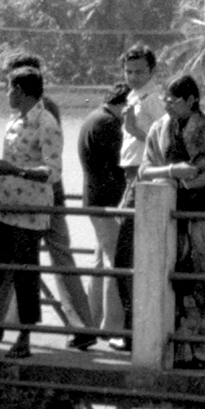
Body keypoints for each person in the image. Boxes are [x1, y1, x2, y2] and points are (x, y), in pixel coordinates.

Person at [0, 66, 80, 357]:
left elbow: (53, 171)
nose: (6, 94)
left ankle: (25, 337)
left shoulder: (46, 123)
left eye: (8, 88)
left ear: (19, 90)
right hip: (4, 208)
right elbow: (9, 159)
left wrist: (15, 170)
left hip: (30, 213)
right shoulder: (13, 121)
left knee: (24, 274)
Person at [143, 74, 205, 368]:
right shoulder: (159, 128)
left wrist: (193, 182)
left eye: (173, 100)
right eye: (165, 100)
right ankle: (186, 350)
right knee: (182, 281)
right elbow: (144, 171)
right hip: (174, 215)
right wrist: (173, 171)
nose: (168, 105)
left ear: (191, 100)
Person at [2, 52, 91, 342]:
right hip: (41, 193)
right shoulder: (34, 109)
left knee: (29, 259)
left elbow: (42, 158)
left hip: (41, 195)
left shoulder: (43, 111)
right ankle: (81, 326)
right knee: (56, 258)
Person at [109, 43, 167, 345]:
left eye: (140, 71)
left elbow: (164, 146)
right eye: (129, 71)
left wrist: (133, 128)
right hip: (133, 177)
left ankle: (135, 331)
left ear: (152, 71)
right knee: (130, 257)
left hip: (146, 179)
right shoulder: (135, 97)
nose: (133, 76)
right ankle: (135, 329)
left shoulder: (154, 100)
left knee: (126, 258)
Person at [80, 84, 132, 339]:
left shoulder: (95, 117)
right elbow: (122, 161)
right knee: (116, 262)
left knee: (101, 263)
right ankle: (112, 326)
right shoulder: (109, 124)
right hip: (106, 203)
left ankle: (93, 320)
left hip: (95, 200)